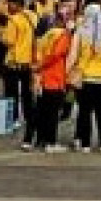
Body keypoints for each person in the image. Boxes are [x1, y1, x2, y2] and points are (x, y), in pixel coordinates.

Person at [69, 4, 101, 153]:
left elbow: (73, 55)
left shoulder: (80, 33)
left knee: (84, 112)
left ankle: (85, 144)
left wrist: (68, 72)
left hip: (85, 78)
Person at [0, 0, 38, 151]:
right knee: (27, 93)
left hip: (13, 61)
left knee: (11, 91)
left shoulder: (13, 20)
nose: (9, 6)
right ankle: (29, 116)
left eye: (12, 3)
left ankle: (14, 118)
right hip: (27, 61)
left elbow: (8, 41)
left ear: (18, 4)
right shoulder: (31, 17)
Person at [33, 8, 73, 153]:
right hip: (55, 77)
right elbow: (57, 54)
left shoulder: (46, 35)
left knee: (43, 110)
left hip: (43, 78)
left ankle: (41, 140)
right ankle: (51, 142)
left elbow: (38, 52)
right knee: (52, 113)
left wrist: (38, 67)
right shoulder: (63, 35)